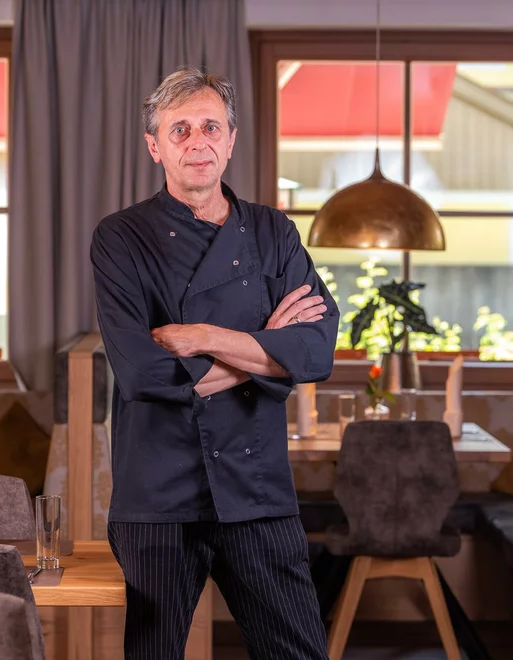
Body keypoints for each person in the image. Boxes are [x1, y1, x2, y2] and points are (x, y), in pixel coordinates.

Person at [90, 65, 340, 660]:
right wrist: (266, 348)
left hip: (257, 489)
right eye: (179, 130)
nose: (197, 142)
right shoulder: (121, 238)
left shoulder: (274, 232)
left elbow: (316, 349)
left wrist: (204, 336)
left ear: (231, 140)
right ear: (155, 146)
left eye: (210, 127)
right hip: (158, 493)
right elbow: (143, 373)